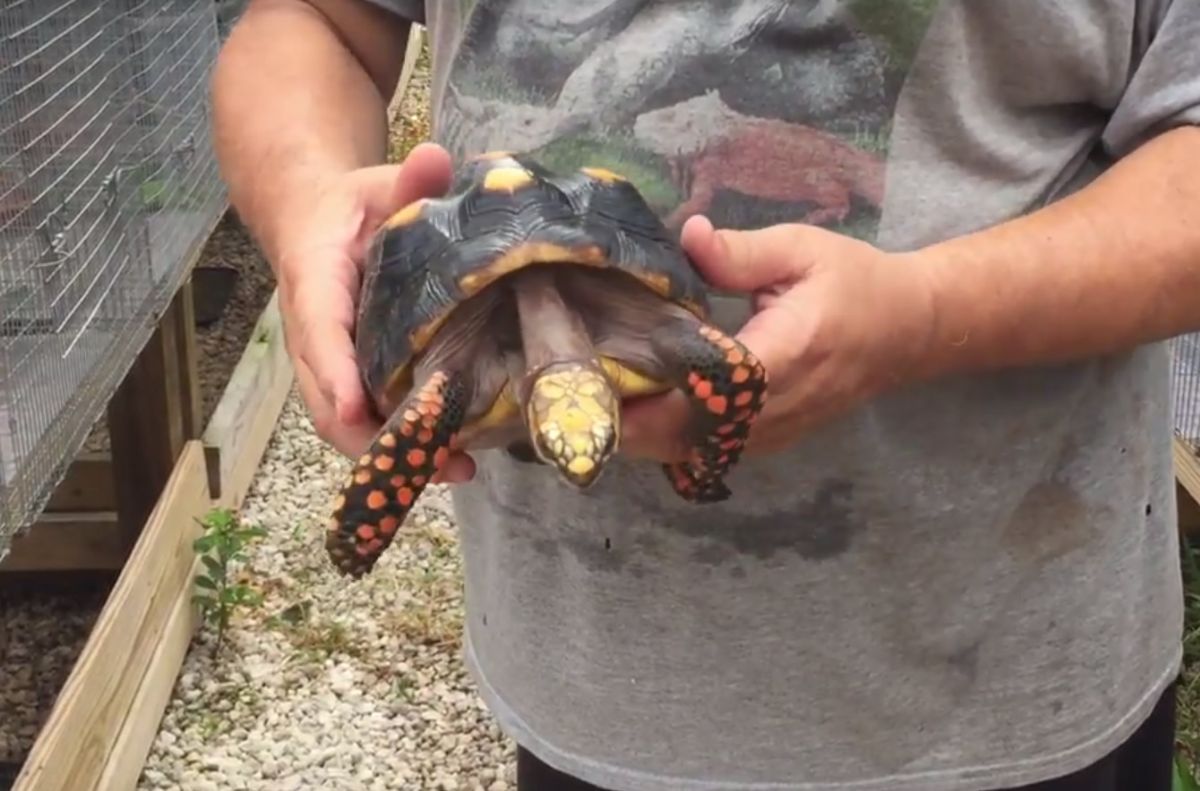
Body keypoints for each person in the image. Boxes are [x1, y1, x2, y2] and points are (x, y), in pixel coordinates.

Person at [210, 1, 1200, 789]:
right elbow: (315, 21)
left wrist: (923, 314)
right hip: (593, 685)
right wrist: (310, 210)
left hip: (1007, 677)